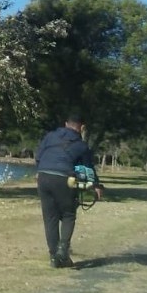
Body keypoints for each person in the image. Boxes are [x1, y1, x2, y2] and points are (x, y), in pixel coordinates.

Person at [34, 114, 103, 268]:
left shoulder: (50, 136)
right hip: (65, 178)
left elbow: (38, 157)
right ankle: (63, 253)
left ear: (66, 124)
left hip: (44, 176)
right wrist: (96, 186)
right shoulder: (81, 145)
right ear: (82, 127)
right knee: (68, 214)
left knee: (50, 218)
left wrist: (39, 171)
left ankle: (54, 257)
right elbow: (88, 169)